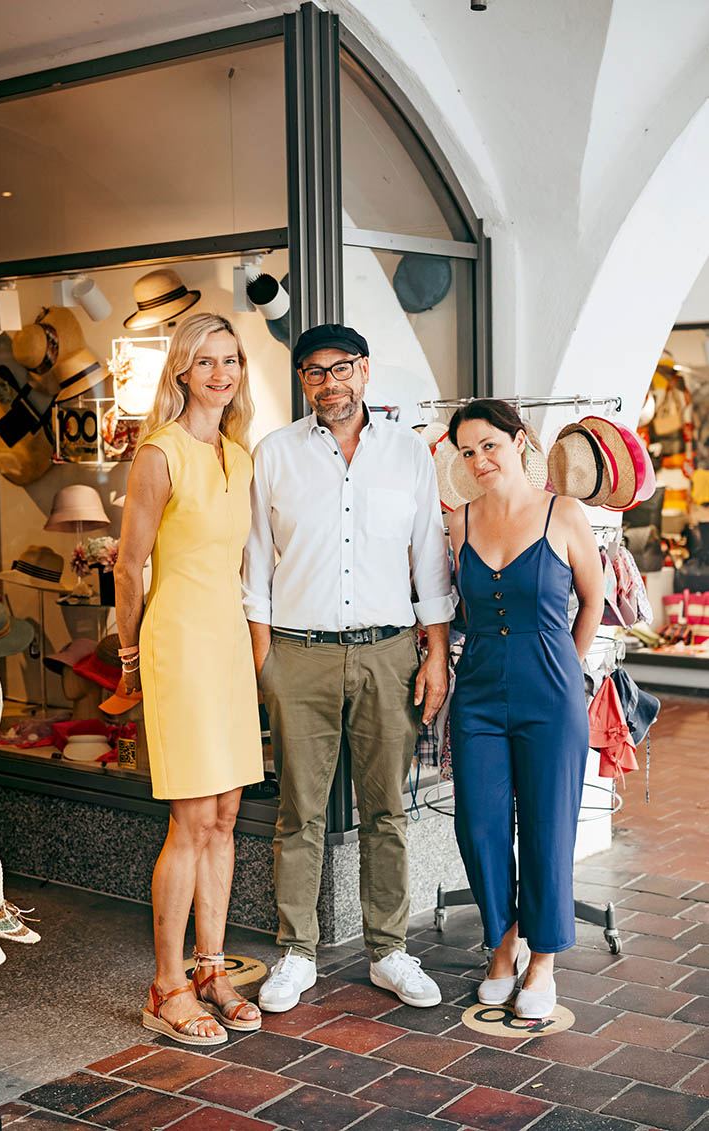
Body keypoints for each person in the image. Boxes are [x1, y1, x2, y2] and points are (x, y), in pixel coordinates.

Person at [242, 322, 455, 1012]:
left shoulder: (407, 455)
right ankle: (296, 953)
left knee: (387, 809)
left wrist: (435, 655)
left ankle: (389, 950)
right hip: (296, 654)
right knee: (299, 812)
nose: (328, 383)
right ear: (301, 380)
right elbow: (255, 562)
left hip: (391, 650)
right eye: (313, 372)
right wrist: (264, 661)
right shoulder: (274, 453)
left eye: (340, 368)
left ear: (364, 371)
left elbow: (429, 558)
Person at [114, 312, 264, 1047]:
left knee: (227, 815)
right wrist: (131, 654)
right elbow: (127, 561)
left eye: (230, 359)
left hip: (229, 646)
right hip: (177, 644)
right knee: (190, 819)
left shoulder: (240, 455)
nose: (220, 373)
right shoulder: (159, 453)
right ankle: (165, 985)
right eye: (205, 360)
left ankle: (212, 969)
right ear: (180, 370)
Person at [446, 399, 604, 1018]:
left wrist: (570, 667)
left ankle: (543, 960)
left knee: (547, 826)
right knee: (480, 825)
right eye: (467, 451)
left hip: (551, 689)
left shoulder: (563, 513)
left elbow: (594, 598)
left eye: (489, 444)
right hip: (479, 690)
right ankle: (501, 944)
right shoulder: (458, 522)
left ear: (519, 441)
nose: (480, 459)